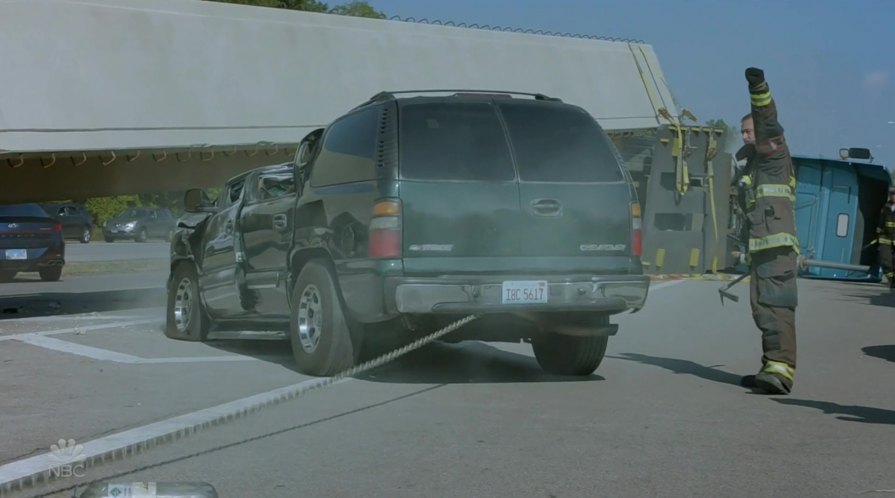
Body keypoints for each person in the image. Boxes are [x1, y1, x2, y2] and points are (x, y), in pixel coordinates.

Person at [733, 67, 799, 395]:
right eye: (743, 133)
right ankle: (770, 366)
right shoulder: (754, 166)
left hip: (776, 248)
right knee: (763, 308)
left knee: (776, 306)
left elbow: (768, 123)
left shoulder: (774, 156)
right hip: (762, 248)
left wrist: (758, 89)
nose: (746, 137)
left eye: (749, 131)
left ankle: (781, 371)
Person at [879, 186, 895, 289]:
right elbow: (881, 223)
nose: (893, 196)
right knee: (885, 261)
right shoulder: (885, 207)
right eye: (892, 194)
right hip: (886, 239)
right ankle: (892, 280)